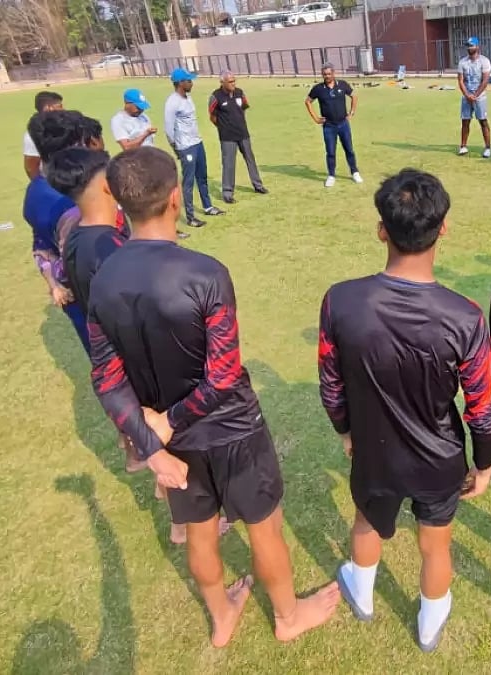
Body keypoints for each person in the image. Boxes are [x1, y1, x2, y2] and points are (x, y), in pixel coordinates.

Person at [87, 146, 340, 647]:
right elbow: (222, 377)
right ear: (177, 198)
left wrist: (153, 438)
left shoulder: (102, 282)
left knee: (200, 531)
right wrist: (165, 426)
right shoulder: (205, 273)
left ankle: (221, 614)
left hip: (174, 442)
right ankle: (288, 617)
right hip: (231, 429)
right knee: (264, 528)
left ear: (116, 202)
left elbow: (106, 378)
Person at [318, 169, 491, 652]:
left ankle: (362, 589)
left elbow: (331, 384)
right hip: (439, 457)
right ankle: (429, 619)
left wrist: (346, 432)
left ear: (382, 229)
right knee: (435, 542)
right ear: (444, 229)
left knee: (365, 520)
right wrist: (483, 463)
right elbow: (481, 405)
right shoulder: (464, 316)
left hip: (373, 450)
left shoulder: (341, 300)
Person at [23, 109, 91, 352]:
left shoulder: (35, 190)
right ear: (75, 145)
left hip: (71, 296)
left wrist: (53, 284)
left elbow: (40, 247)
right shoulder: (71, 201)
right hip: (95, 300)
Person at [164, 67, 226, 226]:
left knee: (202, 177)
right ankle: (191, 217)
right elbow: (169, 129)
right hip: (186, 147)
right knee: (189, 182)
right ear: (180, 83)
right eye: (189, 80)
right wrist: (177, 148)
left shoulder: (187, 98)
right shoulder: (172, 102)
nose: (191, 83)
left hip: (197, 143)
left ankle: (208, 207)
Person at [208, 71, 268, 204]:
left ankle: (258, 185)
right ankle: (227, 193)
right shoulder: (215, 97)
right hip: (227, 137)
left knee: (250, 159)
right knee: (228, 164)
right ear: (222, 82)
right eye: (230, 81)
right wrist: (223, 127)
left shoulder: (240, 93)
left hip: (243, 133)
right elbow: (212, 116)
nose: (233, 84)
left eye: (234, 81)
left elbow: (244, 108)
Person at [305, 64, 363, 188]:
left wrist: (351, 112)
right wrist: (315, 118)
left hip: (343, 124)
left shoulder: (342, 85)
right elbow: (308, 101)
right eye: (324, 74)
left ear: (333, 73)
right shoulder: (318, 89)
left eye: (329, 74)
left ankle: (354, 172)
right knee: (330, 152)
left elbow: (354, 96)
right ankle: (331, 175)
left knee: (349, 149)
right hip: (328, 126)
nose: (327, 76)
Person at [457, 37, 491, 158]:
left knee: (483, 121)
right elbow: (461, 81)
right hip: (466, 97)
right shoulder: (462, 62)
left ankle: (487, 147)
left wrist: (475, 95)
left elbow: (485, 80)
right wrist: (467, 95)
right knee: (465, 121)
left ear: (477, 47)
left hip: (480, 97)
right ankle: (463, 146)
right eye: (468, 46)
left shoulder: (485, 61)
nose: (469, 48)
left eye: (471, 45)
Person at [23, 90, 63, 179]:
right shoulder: (32, 135)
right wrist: (41, 186)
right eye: (60, 106)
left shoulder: (65, 127)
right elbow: (31, 167)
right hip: (51, 184)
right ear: (49, 108)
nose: (63, 109)